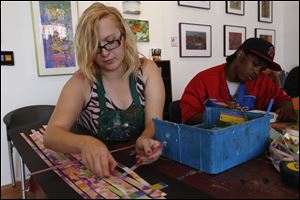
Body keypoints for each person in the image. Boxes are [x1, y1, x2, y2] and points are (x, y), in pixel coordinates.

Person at [44, 2, 165, 178]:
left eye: (111, 42)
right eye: (95, 46)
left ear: (125, 36)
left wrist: (145, 138)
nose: (105, 53)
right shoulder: (81, 82)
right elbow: (51, 135)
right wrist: (85, 143)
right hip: (98, 170)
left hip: (140, 165)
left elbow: (154, 121)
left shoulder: (147, 70)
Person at [180, 37, 298, 125]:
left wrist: (287, 107)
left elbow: (282, 99)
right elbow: (189, 119)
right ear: (240, 54)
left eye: (262, 69)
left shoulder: (261, 81)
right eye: (255, 64)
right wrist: (220, 115)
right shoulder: (203, 80)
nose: (257, 71)